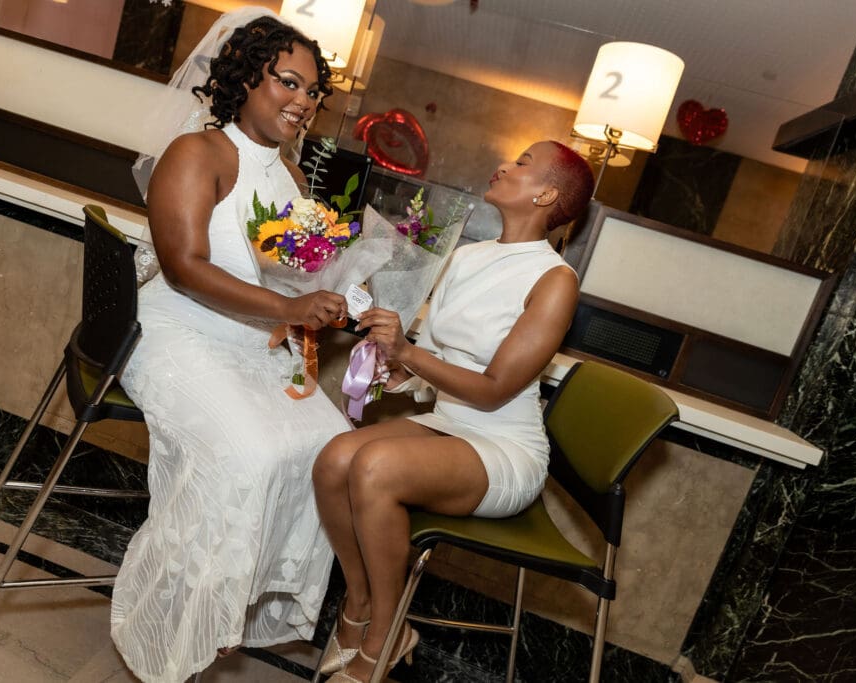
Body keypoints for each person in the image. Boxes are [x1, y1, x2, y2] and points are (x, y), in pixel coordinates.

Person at [109, 9, 352, 682]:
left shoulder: (295, 179)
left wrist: (341, 299)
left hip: (252, 344)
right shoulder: (198, 154)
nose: (302, 102)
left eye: (313, 92)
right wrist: (289, 304)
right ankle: (168, 627)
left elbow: (299, 276)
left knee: (333, 448)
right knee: (246, 454)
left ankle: (226, 608)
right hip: (175, 333)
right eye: (288, 83)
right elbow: (185, 267)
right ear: (245, 76)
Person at [312, 141, 595, 682]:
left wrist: (408, 352)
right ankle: (359, 600)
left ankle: (382, 636)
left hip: (503, 448)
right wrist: (397, 372)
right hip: (447, 425)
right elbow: (436, 363)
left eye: (524, 163)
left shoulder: (554, 280)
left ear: (547, 193)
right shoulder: (467, 256)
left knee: (373, 469)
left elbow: (492, 390)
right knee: (332, 461)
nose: (507, 164)